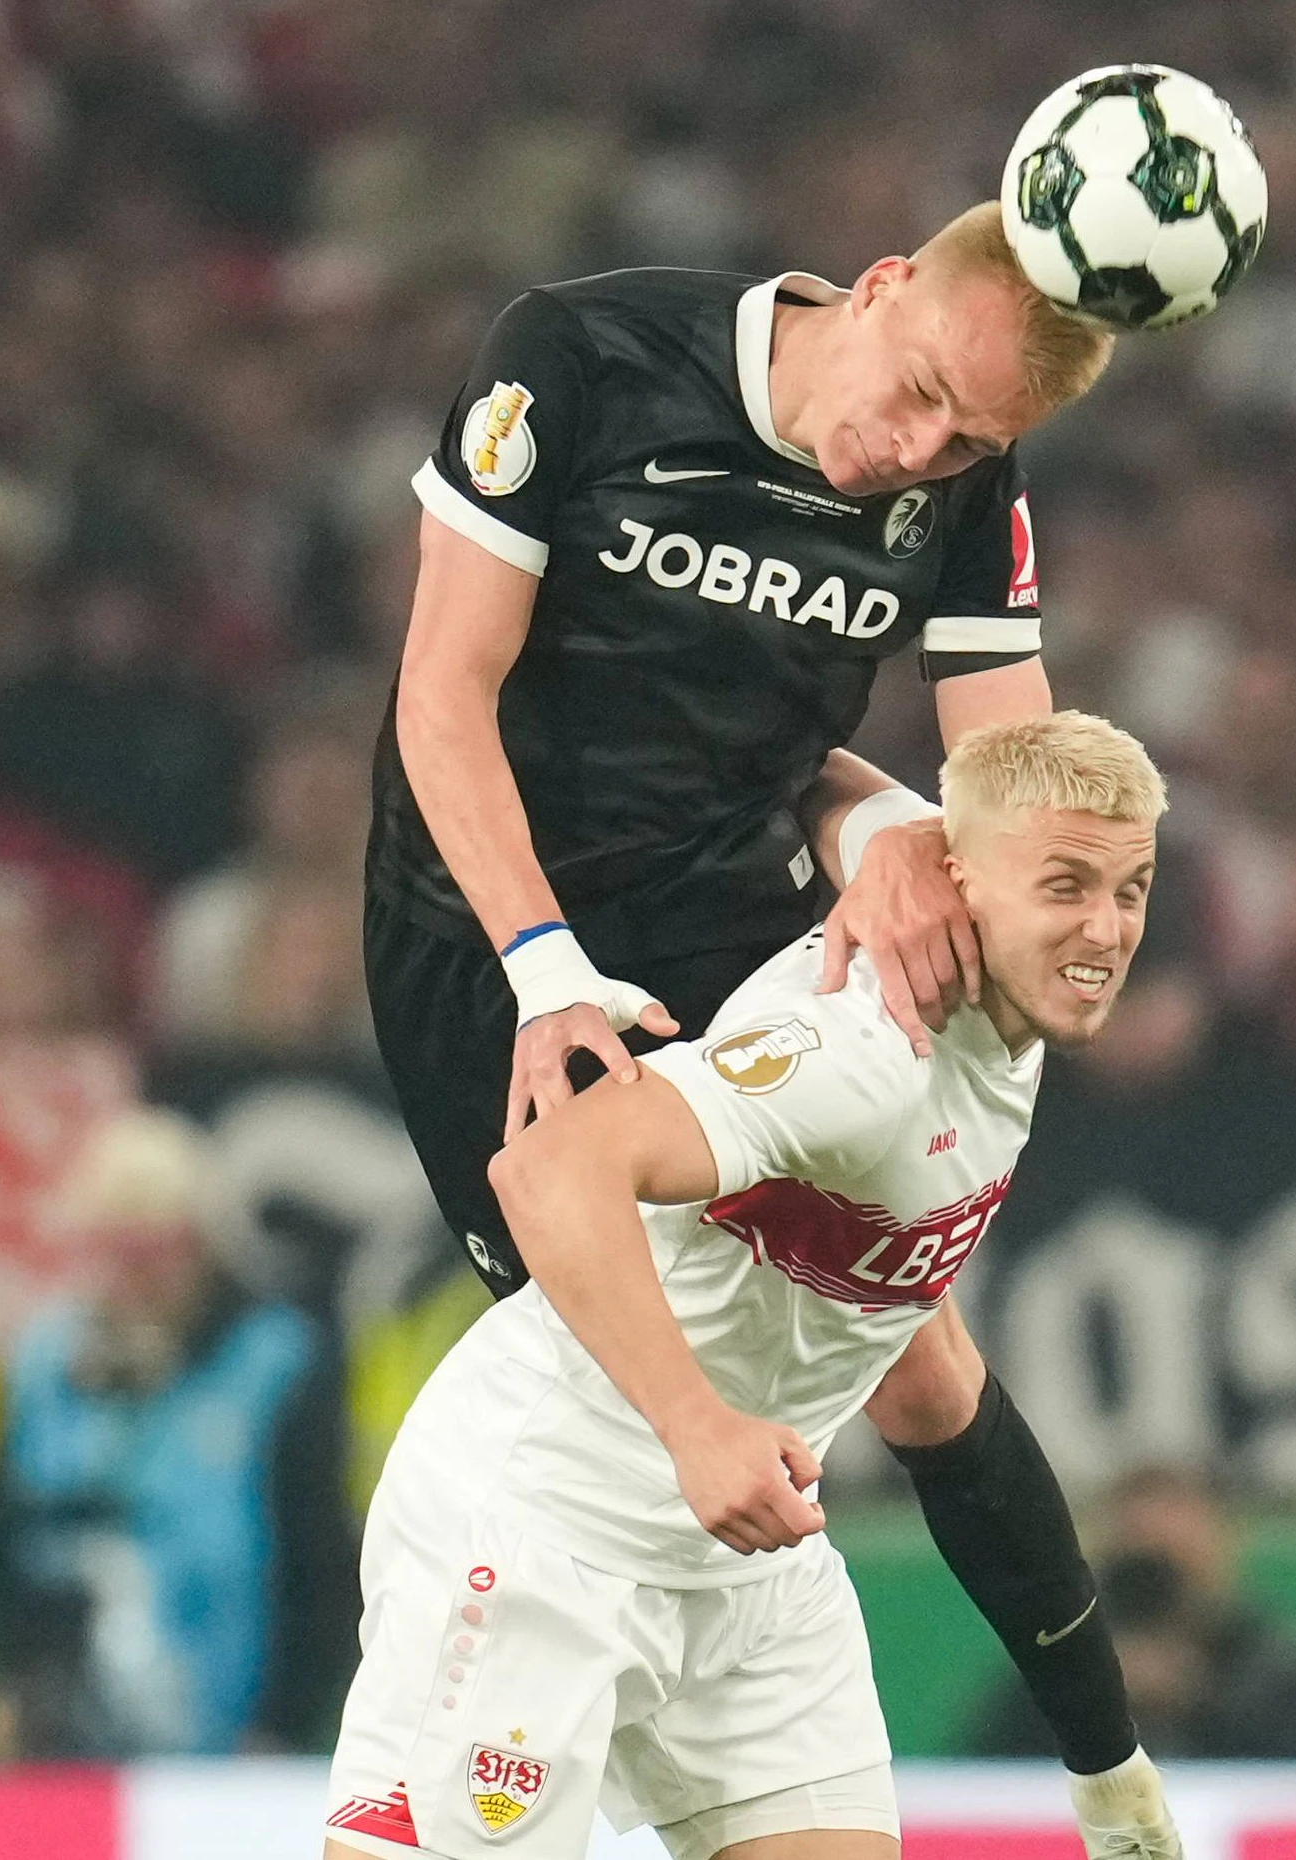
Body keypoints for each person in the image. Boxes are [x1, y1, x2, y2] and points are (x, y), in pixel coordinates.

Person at [371, 206, 1149, 1787]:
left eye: (967, 438)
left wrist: (896, 840)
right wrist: (542, 971)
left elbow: (1012, 802)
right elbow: (441, 692)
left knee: (910, 1348)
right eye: (918, 393)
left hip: (728, 908)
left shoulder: (962, 472)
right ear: (876, 289)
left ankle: (1107, 1770)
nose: (916, 452)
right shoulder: (582, 356)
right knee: (583, 1356)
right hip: (487, 926)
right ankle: (464, 1749)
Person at [325, 715, 1180, 1860]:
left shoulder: (1003, 1045)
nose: (1105, 930)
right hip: (544, 1523)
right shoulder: (862, 1048)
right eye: (1066, 886)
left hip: (746, 1578)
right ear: (958, 882)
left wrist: (1105, 1757)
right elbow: (547, 1168)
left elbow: (937, 1396)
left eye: (1131, 891)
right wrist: (697, 1430)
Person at [0, 1108, 355, 1759]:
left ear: (201, 1248)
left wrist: (282, 1730)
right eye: (115, 1254)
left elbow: (322, 1570)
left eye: (156, 1254)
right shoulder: (45, 1363)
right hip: (62, 1745)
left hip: (227, 1749)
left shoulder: (272, 1368)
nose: (133, 1281)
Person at [964, 1466, 1296, 1761]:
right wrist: (1096, 1698)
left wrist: (1198, 1701)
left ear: (1221, 1545)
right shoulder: (1053, 1668)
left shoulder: (1290, 1672)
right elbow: (999, 1780)